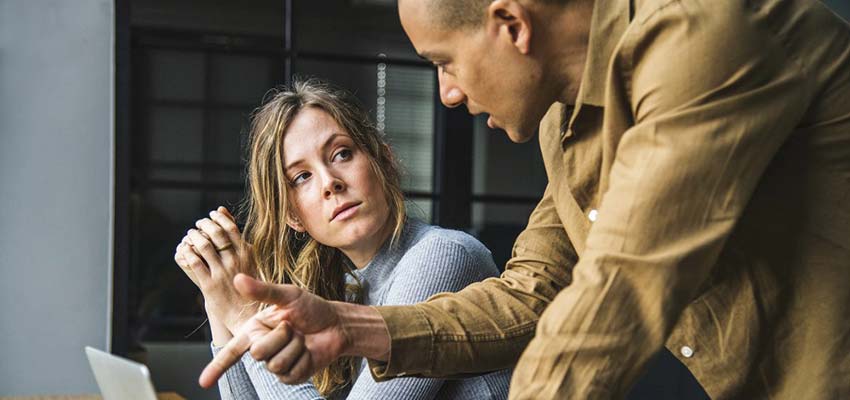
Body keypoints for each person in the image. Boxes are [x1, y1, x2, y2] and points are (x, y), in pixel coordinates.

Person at [201, 0, 850, 398]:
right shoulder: (562, 123)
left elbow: (620, 290)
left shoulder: (700, 36)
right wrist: (348, 328)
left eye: (443, 62)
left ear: (510, 23)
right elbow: (533, 294)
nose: (448, 94)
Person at [175, 79, 512, 399]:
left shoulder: (443, 256)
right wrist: (218, 293)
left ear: (384, 161)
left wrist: (245, 317)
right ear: (293, 217)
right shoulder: (342, 286)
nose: (329, 182)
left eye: (341, 154)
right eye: (302, 176)